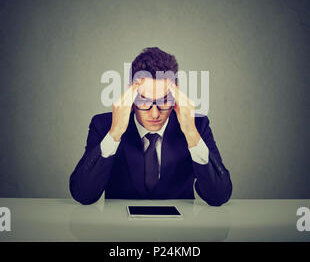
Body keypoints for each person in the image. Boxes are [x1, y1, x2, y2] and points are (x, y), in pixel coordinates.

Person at [69, 47, 232, 206]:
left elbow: (219, 195)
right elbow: (83, 194)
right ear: (131, 96)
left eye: (163, 101)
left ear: (176, 96)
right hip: (121, 229)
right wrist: (114, 133)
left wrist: (191, 133)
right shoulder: (104, 125)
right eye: (144, 101)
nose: (155, 114)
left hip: (180, 231)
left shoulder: (197, 126)